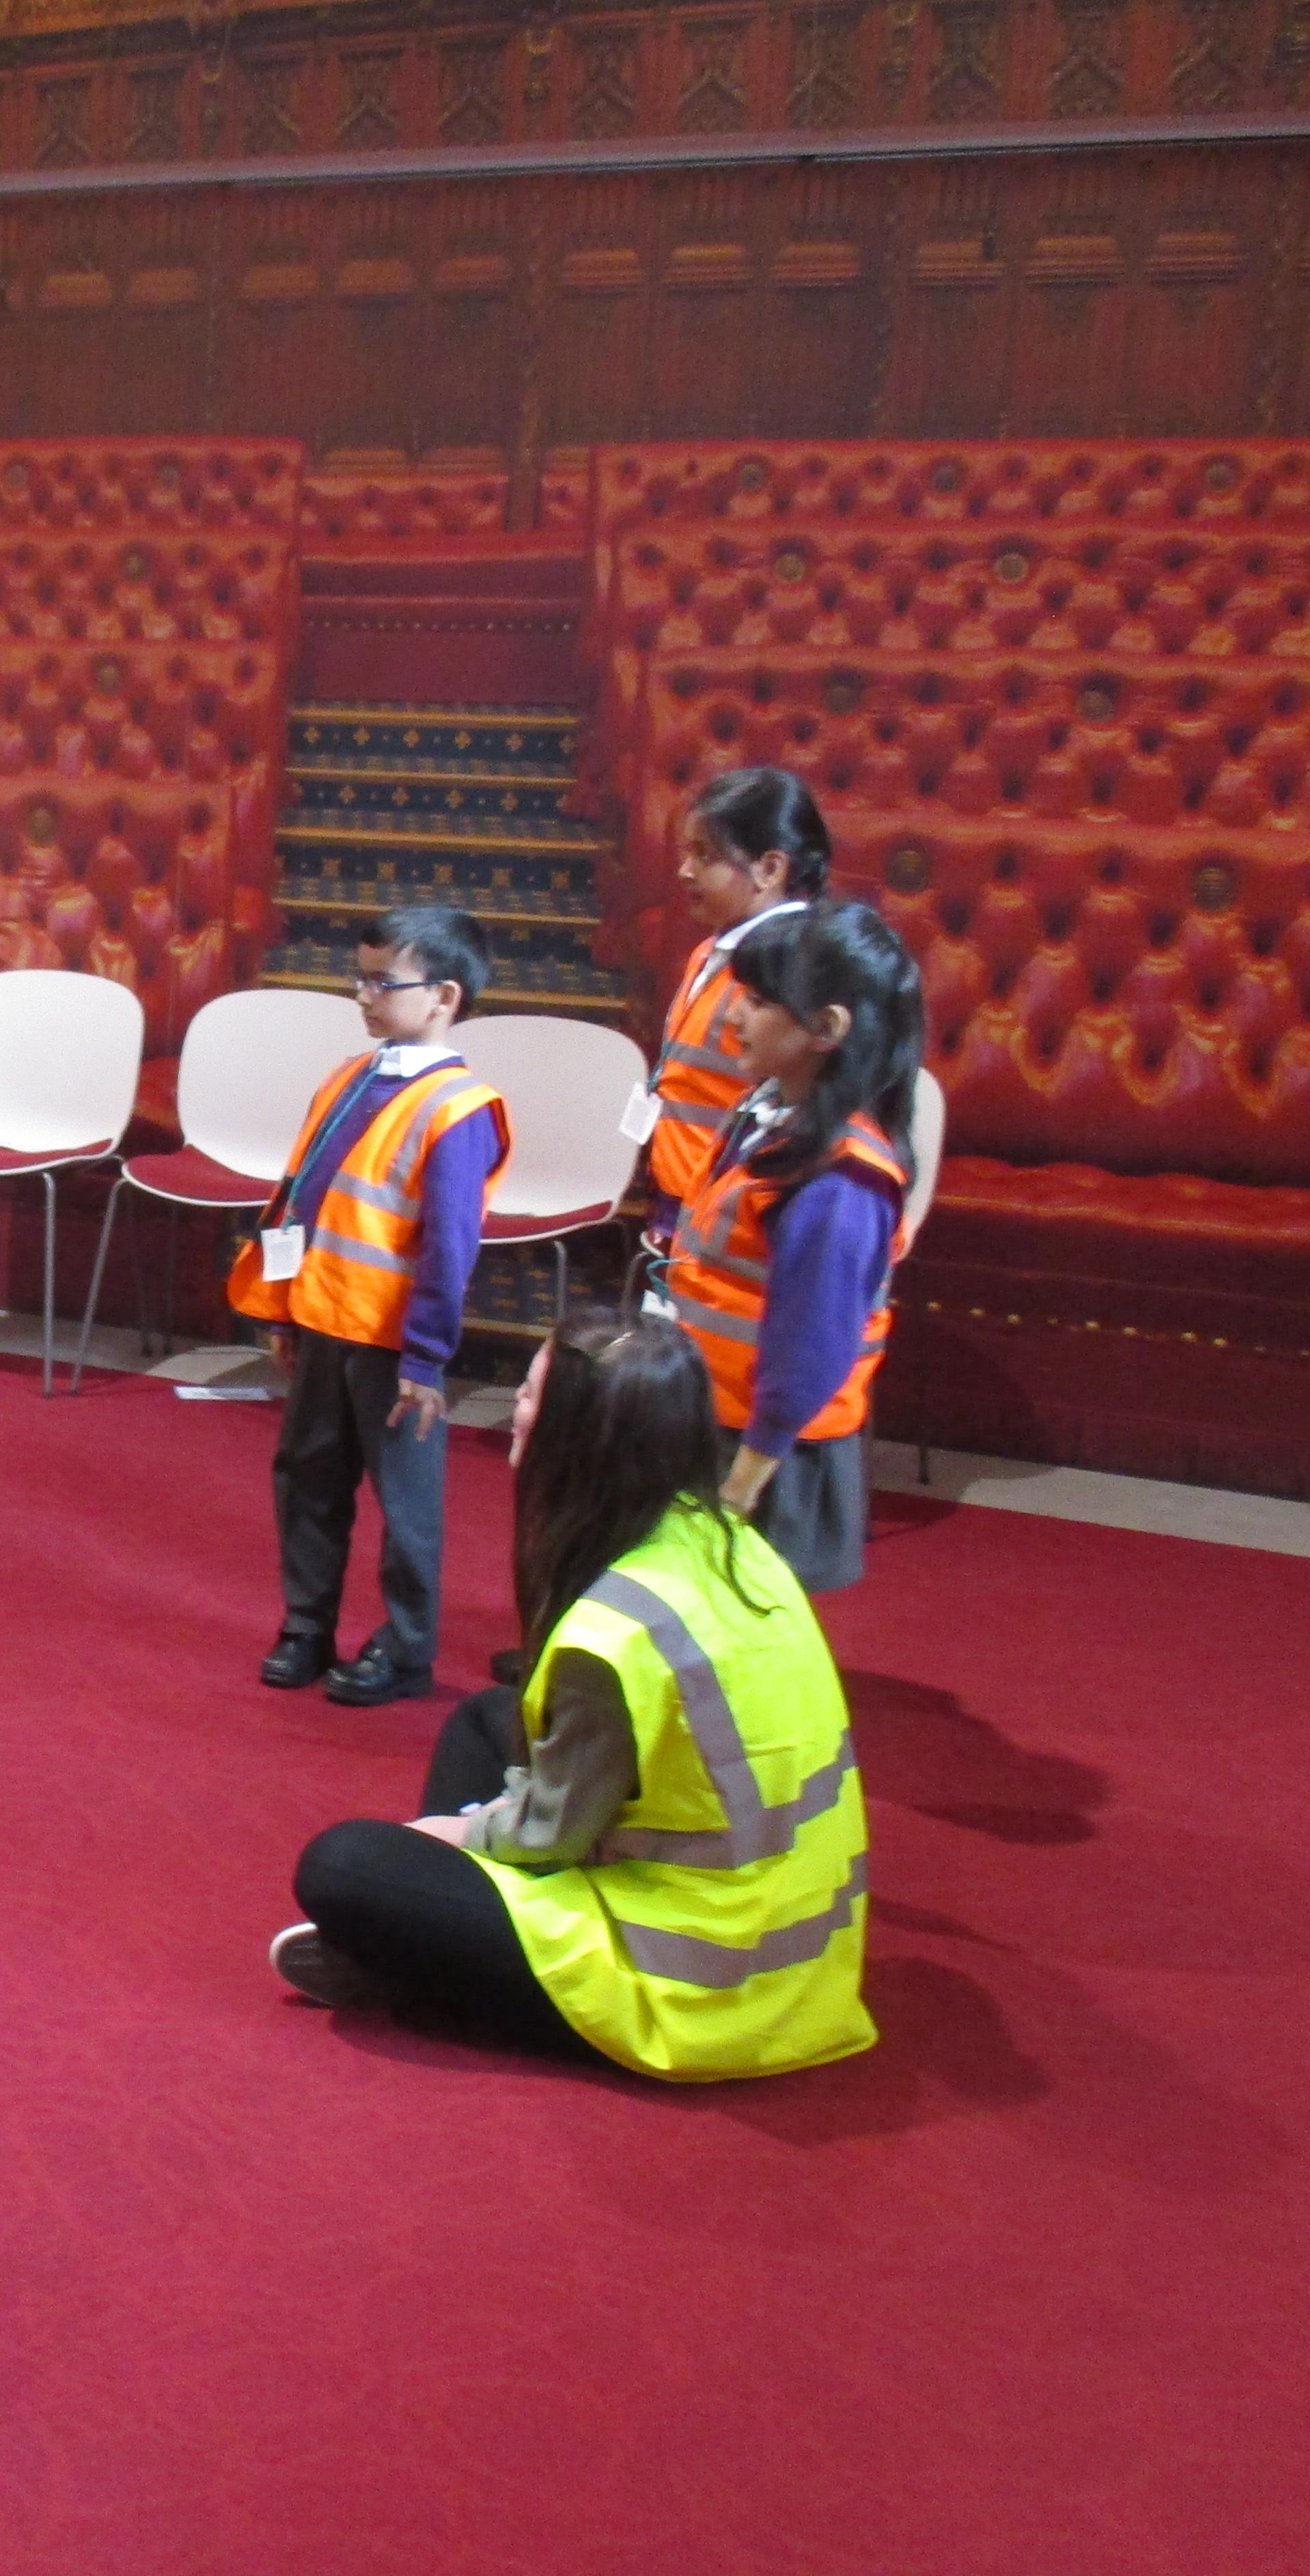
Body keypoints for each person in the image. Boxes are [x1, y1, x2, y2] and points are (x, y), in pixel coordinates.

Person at [270, 1309, 874, 2080]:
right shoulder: (729, 1540)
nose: (515, 1411)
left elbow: (547, 1835)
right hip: (772, 1926)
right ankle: (432, 1942)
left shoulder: (611, 1637)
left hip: (692, 1978)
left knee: (344, 1865)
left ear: (578, 1438)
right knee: (486, 1721)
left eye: (528, 1395)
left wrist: (453, 1835)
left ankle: (423, 1957)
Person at [234, 907, 511, 1707]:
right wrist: (283, 1310)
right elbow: (302, 1197)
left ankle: (407, 1646)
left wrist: (427, 1356)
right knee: (307, 1480)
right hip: (322, 1318)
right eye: (359, 979)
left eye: (382, 982)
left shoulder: (459, 1107)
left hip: (394, 1343)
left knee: (406, 1505)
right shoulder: (347, 1077)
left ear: (444, 996)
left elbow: (449, 1246)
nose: (362, 995)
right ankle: (306, 1624)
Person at [663, 898, 923, 1596]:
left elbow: (811, 1344)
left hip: (768, 1453)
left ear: (826, 1029)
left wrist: (744, 1480)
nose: (733, 1016)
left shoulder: (839, 1180)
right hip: (713, 1418)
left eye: (757, 1001)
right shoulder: (767, 1111)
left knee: (741, 1631)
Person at [635, 767, 831, 1230]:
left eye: (706, 856)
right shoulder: (711, 951)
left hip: (731, 1204)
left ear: (769, 869)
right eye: (687, 853)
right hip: (681, 1190)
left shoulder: (796, 969)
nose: (685, 871)